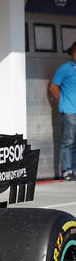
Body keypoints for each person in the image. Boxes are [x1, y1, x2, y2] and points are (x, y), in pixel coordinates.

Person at [48, 41, 76, 181]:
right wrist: (63, 102)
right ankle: (67, 170)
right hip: (69, 111)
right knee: (68, 142)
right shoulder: (64, 69)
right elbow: (53, 87)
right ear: (72, 53)